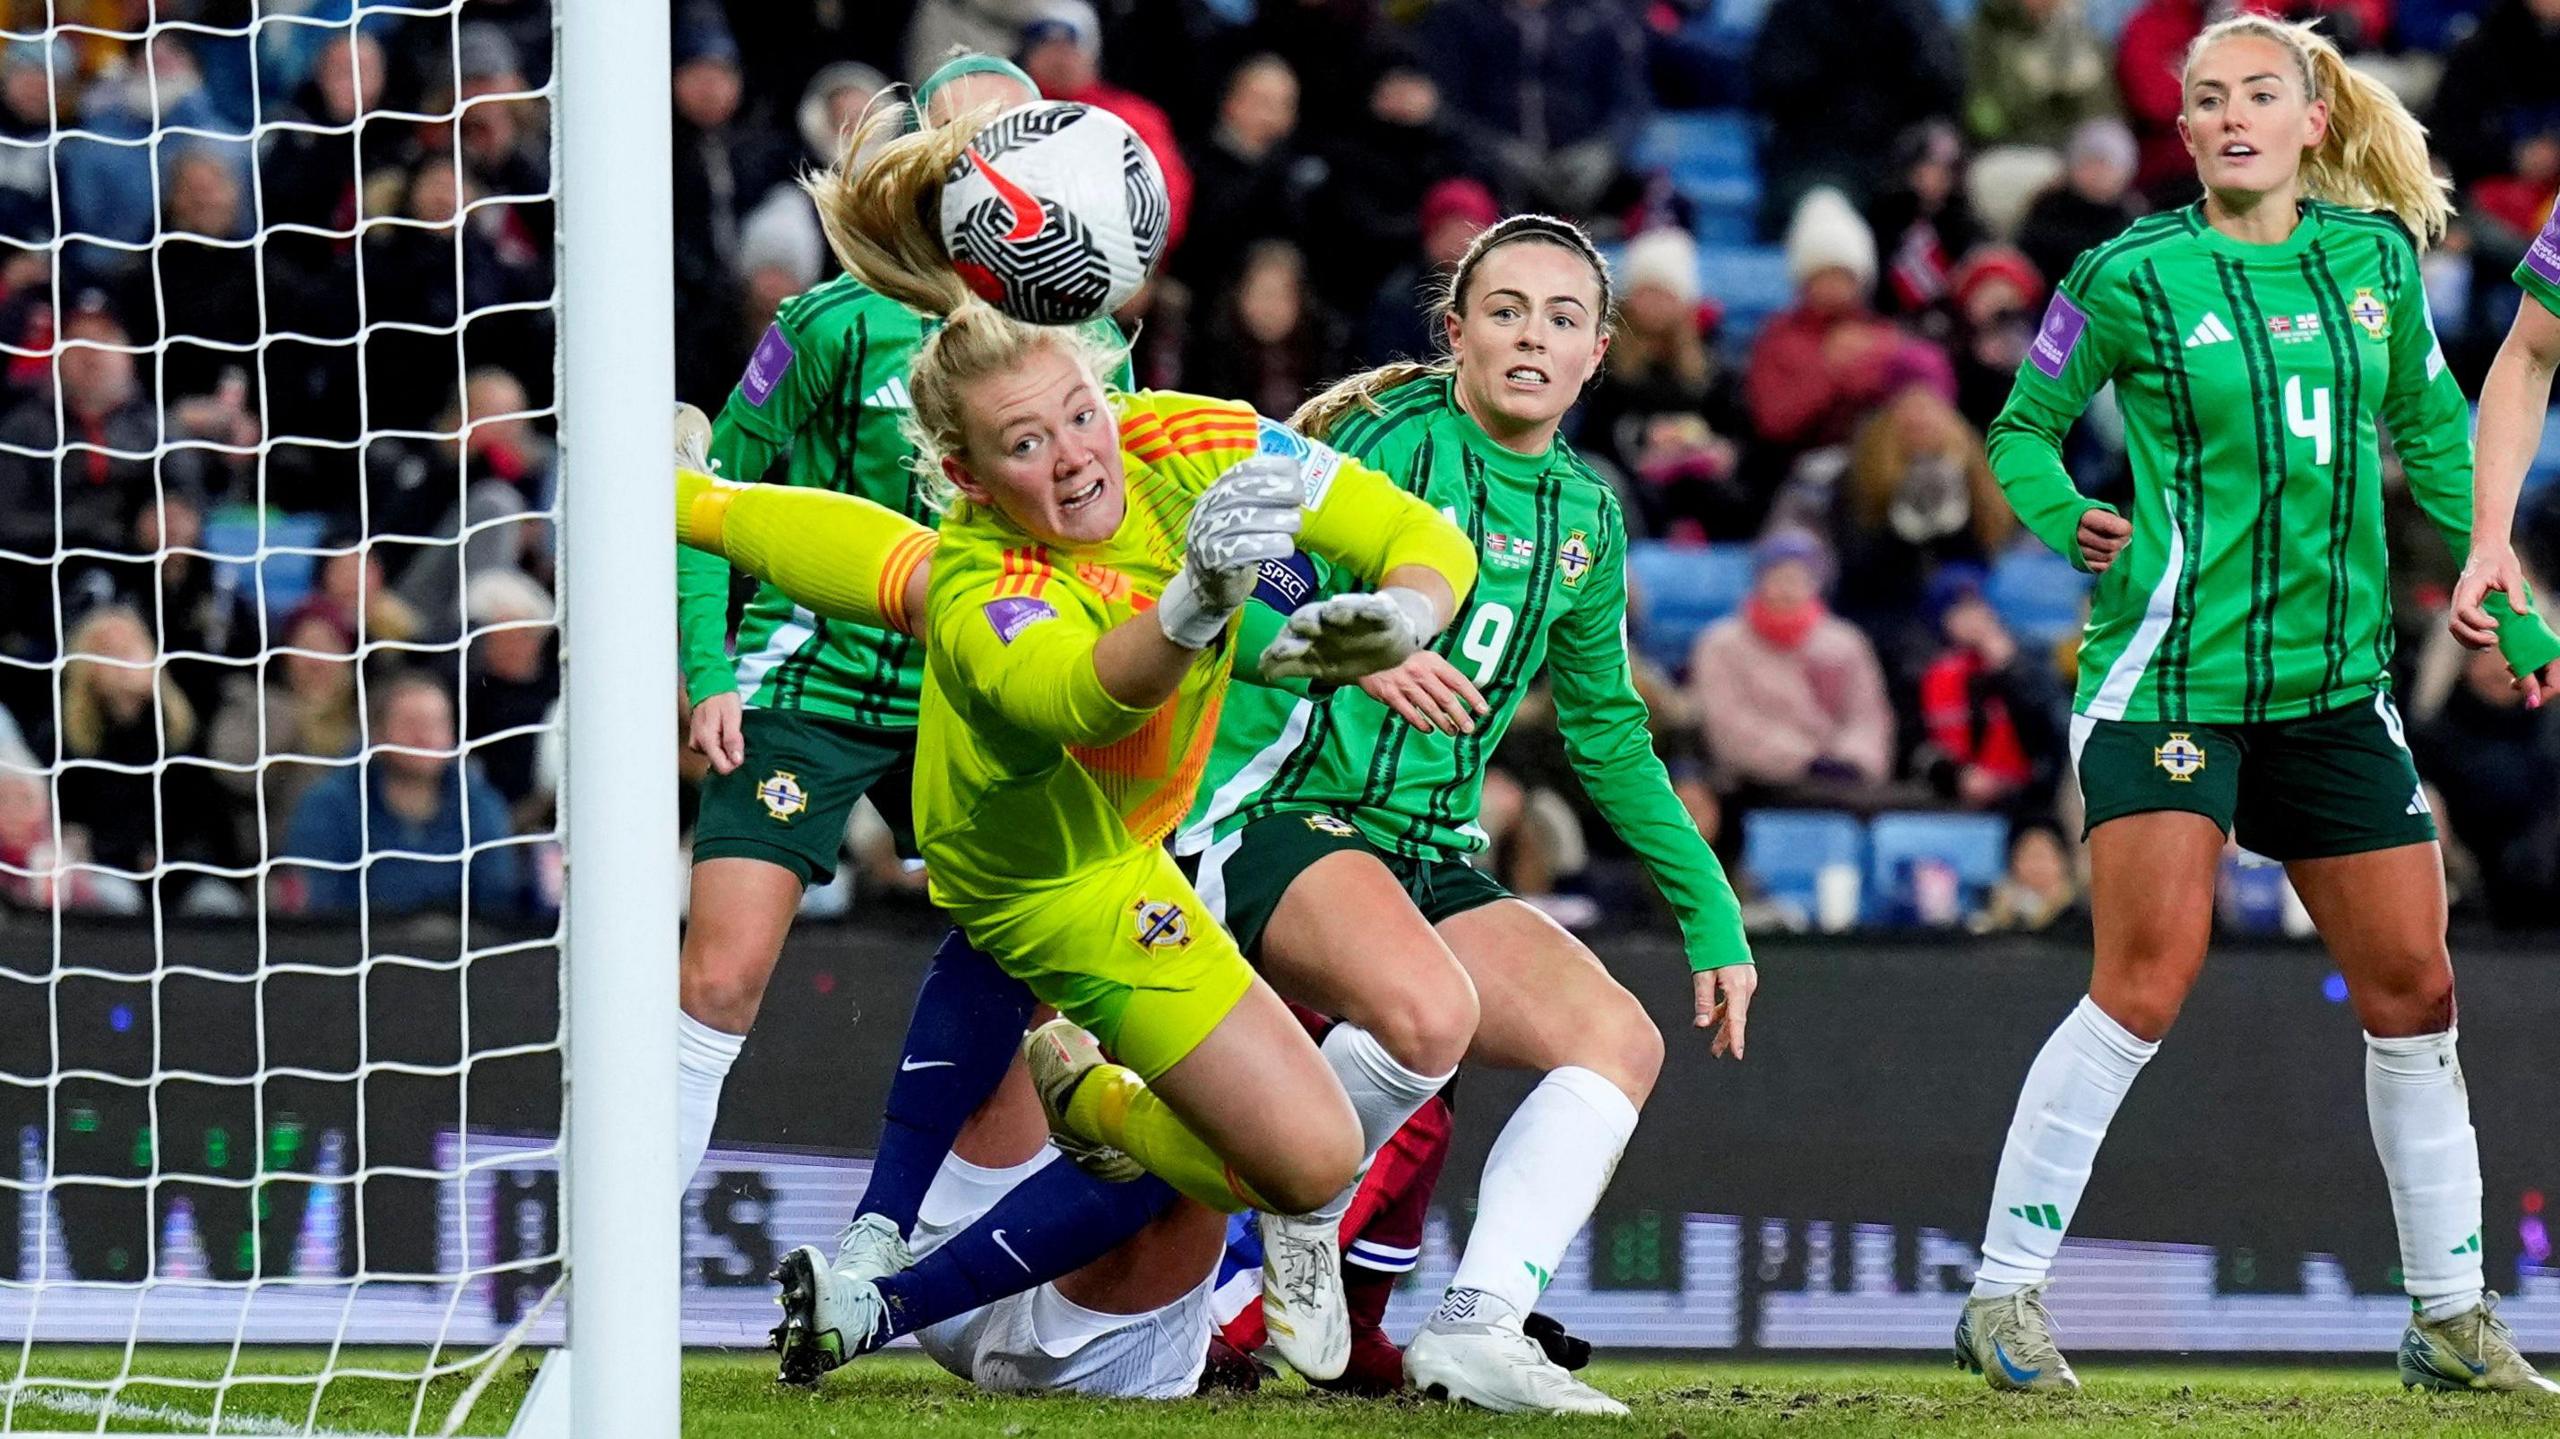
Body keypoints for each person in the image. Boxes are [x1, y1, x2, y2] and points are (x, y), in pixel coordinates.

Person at [695, 98, 1480, 1385]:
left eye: (1077, 413)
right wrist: (1196, 605)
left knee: (1316, 1155)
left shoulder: (1182, 431)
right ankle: (883, 1259)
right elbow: (1085, 693)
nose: (1072, 456)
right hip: (1024, 864)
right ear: (965, 467)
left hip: (1131, 848)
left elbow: (1418, 537)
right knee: (895, 576)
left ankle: (1063, 1124)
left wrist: (1386, 618)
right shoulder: (979, 572)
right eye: (1024, 441)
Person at [1954, 15, 2560, 1396]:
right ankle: (2001, 1293)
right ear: (2183, 133)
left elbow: (2430, 435)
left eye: (2257, 97)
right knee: (2144, 983)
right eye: (2206, 100)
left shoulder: (2373, 262)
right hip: (2172, 676)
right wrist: (2069, 516)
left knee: (2416, 985)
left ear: (2309, 120)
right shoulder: (2124, 274)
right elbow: (2019, 432)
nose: (2230, 117)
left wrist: (2503, 591)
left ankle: (2450, 1315)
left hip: (2334, 689)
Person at [1175, 214, 1758, 1416]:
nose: (1530, 336)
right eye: (1504, 310)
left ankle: (1479, 1326)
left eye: (1559, 318)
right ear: (1455, 332)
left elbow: (1606, 733)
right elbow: (1237, 546)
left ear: (1599, 351)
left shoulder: (1588, 521)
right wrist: (1352, 645)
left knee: (1619, 1039)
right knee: (1426, 1010)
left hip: (1432, 845)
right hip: (1277, 801)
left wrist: (1713, 917)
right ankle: (1297, 1210)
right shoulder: (1388, 435)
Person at [670, 54, 1134, 1204]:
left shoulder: (1088, 347)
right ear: (920, 168)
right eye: (966, 149)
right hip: (811, 685)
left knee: (1046, 995)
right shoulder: (827, 321)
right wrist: (707, 668)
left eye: (1018, 146)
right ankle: (620, 1265)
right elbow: (701, 495)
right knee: (722, 974)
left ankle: (954, 1267)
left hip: (976, 691)